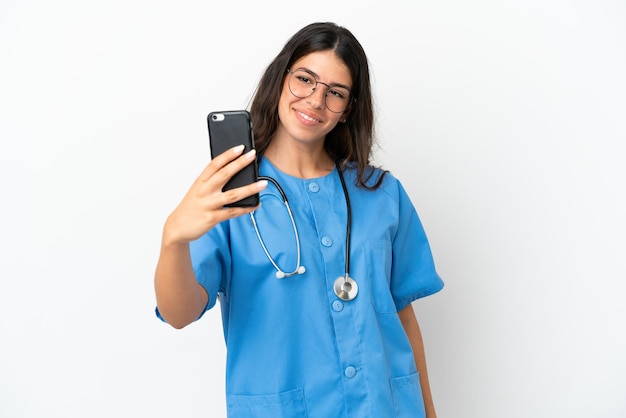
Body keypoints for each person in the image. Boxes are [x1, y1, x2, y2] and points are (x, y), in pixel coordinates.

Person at [154, 22, 444, 418]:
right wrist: (174, 239)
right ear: (280, 79)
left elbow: (403, 315)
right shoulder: (228, 197)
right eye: (305, 79)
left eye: (335, 93)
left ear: (348, 110)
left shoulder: (382, 194)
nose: (315, 101)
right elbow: (178, 314)